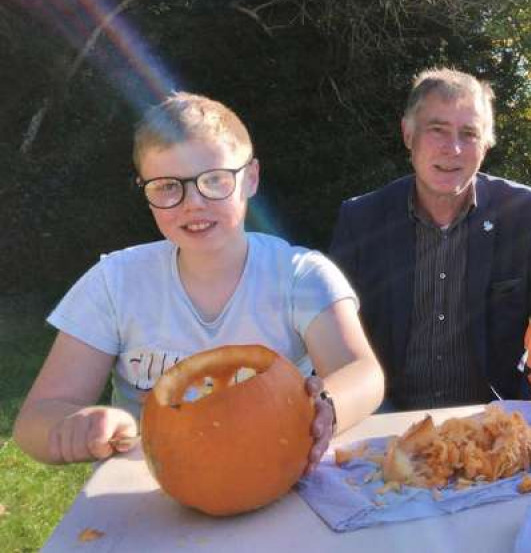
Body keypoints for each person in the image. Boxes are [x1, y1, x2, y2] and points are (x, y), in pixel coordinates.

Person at [14, 93, 384, 467]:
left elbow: (361, 373)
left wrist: (326, 407)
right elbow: (34, 420)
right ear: (146, 192)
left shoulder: (300, 274)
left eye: (215, 180)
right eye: (167, 186)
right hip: (146, 495)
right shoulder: (114, 283)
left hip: (277, 477)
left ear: (250, 178)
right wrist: (76, 426)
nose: (193, 203)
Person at [329, 68, 531, 410]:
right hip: (385, 422)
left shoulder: (524, 213)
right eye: (437, 129)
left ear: (486, 144)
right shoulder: (361, 219)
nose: (453, 148)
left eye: (469, 133)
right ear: (408, 134)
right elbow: (332, 340)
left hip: (496, 421)